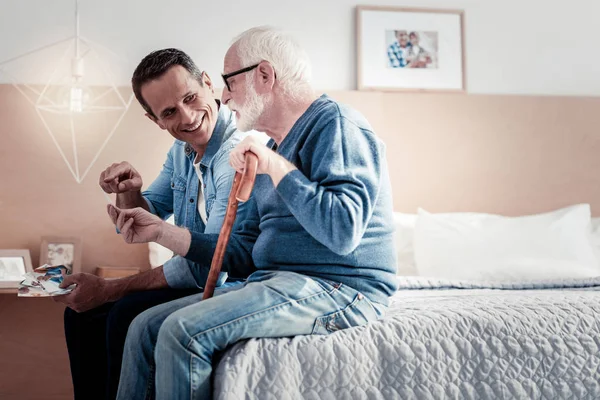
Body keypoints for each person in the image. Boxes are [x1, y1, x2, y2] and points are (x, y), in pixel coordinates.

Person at [109, 26, 398, 400]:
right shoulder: (270, 147)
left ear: (264, 75)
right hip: (277, 279)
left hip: (342, 288)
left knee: (183, 331)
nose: (224, 97)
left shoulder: (335, 125)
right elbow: (241, 254)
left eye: (229, 82)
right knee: (144, 326)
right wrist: (160, 230)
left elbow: (343, 231)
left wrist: (276, 168)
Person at [54, 48, 255, 400]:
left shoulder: (235, 155)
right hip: (199, 276)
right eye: (169, 112)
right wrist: (129, 193)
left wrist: (110, 288)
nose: (188, 117)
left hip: (231, 283)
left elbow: (213, 266)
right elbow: (145, 214)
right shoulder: (182, 151)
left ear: (208, 83)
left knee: (124, 315)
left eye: (190, 97)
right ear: (155, 120)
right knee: (81, 318)